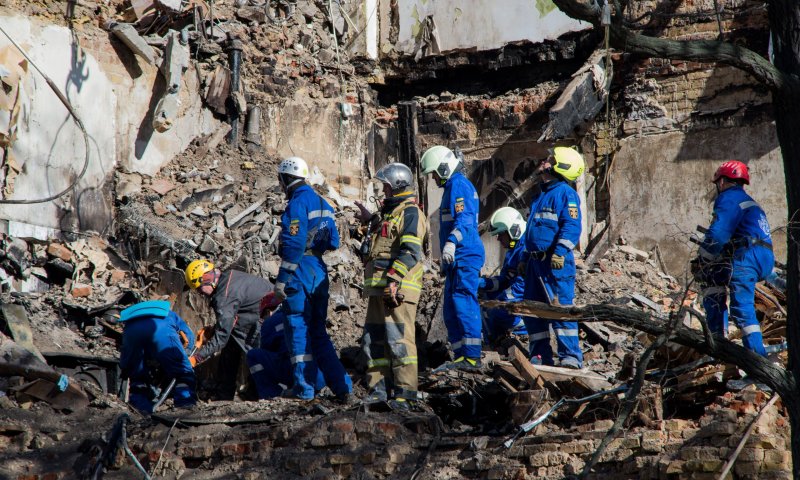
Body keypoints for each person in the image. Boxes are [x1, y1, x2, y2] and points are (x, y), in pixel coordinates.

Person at [275, 156, 353, 402]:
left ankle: (304, 389)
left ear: (286, 178)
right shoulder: (323, 202)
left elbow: (294, 242)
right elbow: (333, 241)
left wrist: (282, 277)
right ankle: (343, 387)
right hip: (319, 268)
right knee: (318, 331)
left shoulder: (297, 202)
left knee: (297, 326)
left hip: (300, 270)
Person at [361, 162, 428, 409]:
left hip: (396, 290)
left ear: (397, 187)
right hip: (380, 289)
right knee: (374, 340)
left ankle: (405, 394)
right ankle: (378, 390)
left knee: (399, 341)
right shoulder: (391, 214)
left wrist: (393, 279)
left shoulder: (410, 213)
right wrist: (371, 221)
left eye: (386, 187)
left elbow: (411, 251)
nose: (383, 192)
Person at [694, 160, 773, 357]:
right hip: (762, 256)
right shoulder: (749, 201)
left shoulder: (729, 197)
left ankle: (757, 361)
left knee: (741, 307)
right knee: (714, 280)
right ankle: (718, 344)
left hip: (747, 256)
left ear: (721, 182)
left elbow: (719, 234)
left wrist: (703, 258)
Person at [421, 146, 485, 371]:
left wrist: (451, 243)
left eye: (434, 173)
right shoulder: (450, 187)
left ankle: (471, 357)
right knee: (451, 308)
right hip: (456, 258)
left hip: (465, 254)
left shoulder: (458, 185)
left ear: (444, 167)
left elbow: (465, 220)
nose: (433, 178)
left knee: (464, 302)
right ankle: (461, 356)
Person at [521, 146, 585, 369]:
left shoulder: (566, 194)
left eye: (550, 160)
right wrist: (523, 258)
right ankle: (540, 355)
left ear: (561, 167)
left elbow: (572, 227)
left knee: (560, 308)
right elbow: (531, 231)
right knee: (533, 309)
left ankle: (570, 356)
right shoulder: (541, 194)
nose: (544, 162)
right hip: (535, 263)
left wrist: (559, 252)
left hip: (555, 263)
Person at [184, 258, 271, 400]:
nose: (200, 293)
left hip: (267, 321)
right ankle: (224, 394)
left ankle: (257, 395)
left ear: (206, 278)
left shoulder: (224, 297)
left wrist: (197, 357)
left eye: (199, 288)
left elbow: (221, 338)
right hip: (260, 314)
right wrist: (216, 328)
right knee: (231, 348)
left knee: (257, 358)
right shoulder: (229, 276)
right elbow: (233, 314)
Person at [119, 300, 196, 413]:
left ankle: (140, 410)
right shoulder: (171, 315)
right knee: (183, 372)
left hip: (131, 331)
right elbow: (189, 338)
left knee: (137, 377)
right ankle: (184, 405)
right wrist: (186, 354)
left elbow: (128, 361)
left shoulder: (132, 319)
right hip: (161, 329)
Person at [246, 293, 326, 399]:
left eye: (263, 317)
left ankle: (272, 394)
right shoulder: (306, 314)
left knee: (254, 355)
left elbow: (268, 350)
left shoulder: (270, 322)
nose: (262, 321)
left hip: (293, 369)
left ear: (268, 312)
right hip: (319, 376)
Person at [479, 207, 528, 343]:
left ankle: (526, 331)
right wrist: (484, 284)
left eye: (501, 234)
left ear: (513, 230)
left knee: (497, 310)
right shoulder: (513, 251)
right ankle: (495, 342)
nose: (498, 239)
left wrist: (500, 300)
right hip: (517, 297)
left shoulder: (525, 249)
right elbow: (505, 280)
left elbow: (522, 286)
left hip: (529, 299)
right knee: (485, 301)